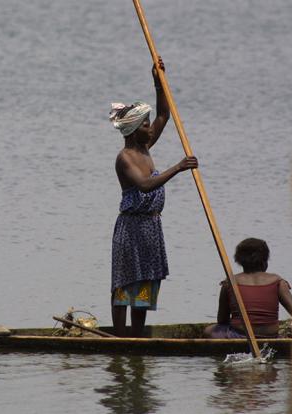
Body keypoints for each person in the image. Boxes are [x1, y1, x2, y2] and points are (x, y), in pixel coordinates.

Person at [109, 57, 198, 337]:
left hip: (151, 227)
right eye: (145, 125)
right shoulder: (125, 158)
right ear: (134, 131)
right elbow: (145, 186)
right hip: (131, 228)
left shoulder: (145, 146)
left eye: (148, 124)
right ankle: (121, 336)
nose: (151, 127)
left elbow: (164, 115)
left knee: (145, 282)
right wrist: (178, 168)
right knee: (125, 283)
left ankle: (137, 336)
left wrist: (158, 82)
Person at [204, 237, 292, 342]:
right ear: (265, 261)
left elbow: (222, 320)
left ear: (240, 261)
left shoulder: (230, 283)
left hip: (240, 335)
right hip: (270, 336)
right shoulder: (278, 282)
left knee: (209, 330)